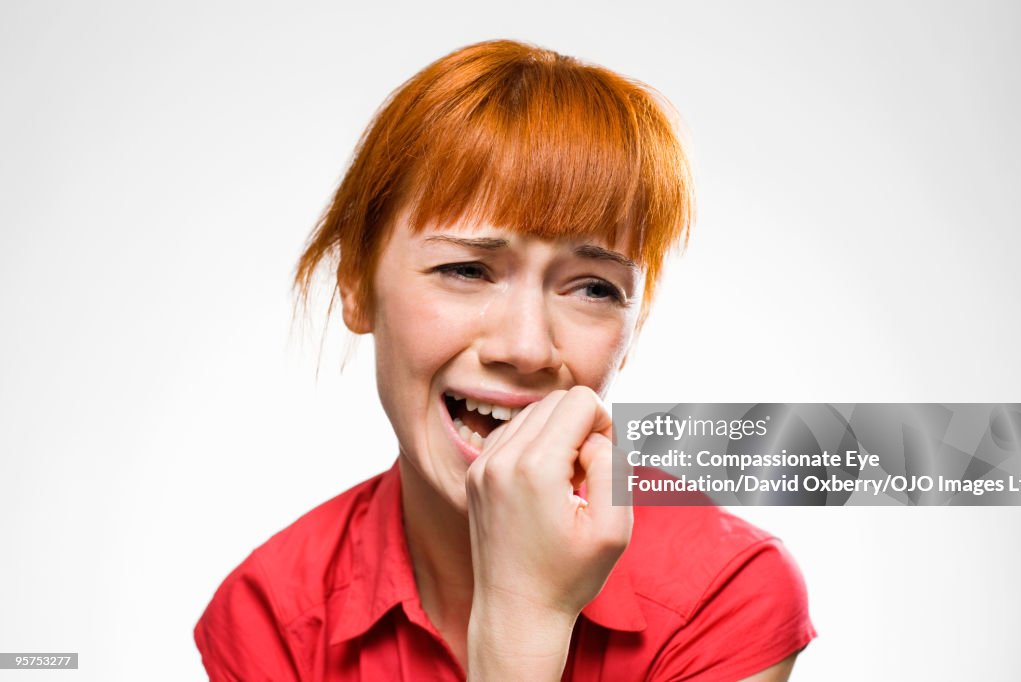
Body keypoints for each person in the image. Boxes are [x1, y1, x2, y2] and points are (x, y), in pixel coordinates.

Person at [194, 39, 816, 681]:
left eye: (594, 288)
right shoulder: (271, 616)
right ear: (356, 284)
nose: (525, 348)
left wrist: (525, 612)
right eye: (467, 270)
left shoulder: (721, 589)